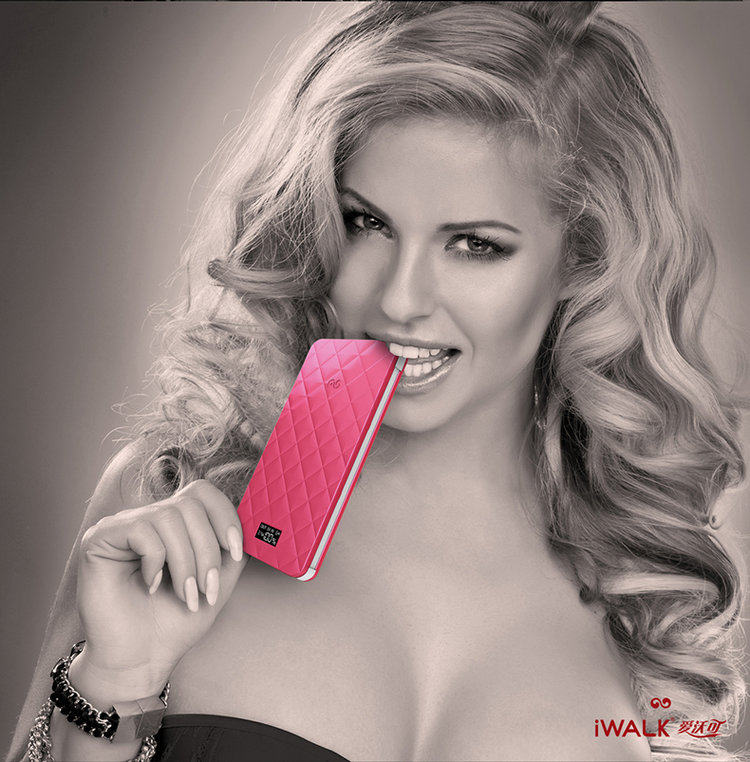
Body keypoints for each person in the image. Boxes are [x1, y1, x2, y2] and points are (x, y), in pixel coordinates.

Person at [9, 2, 749, 761]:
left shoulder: (643, 605)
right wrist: (115, 682)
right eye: (368, 223)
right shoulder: (181, 505)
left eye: (475, 244)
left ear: (583, 261)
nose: (400, 299)